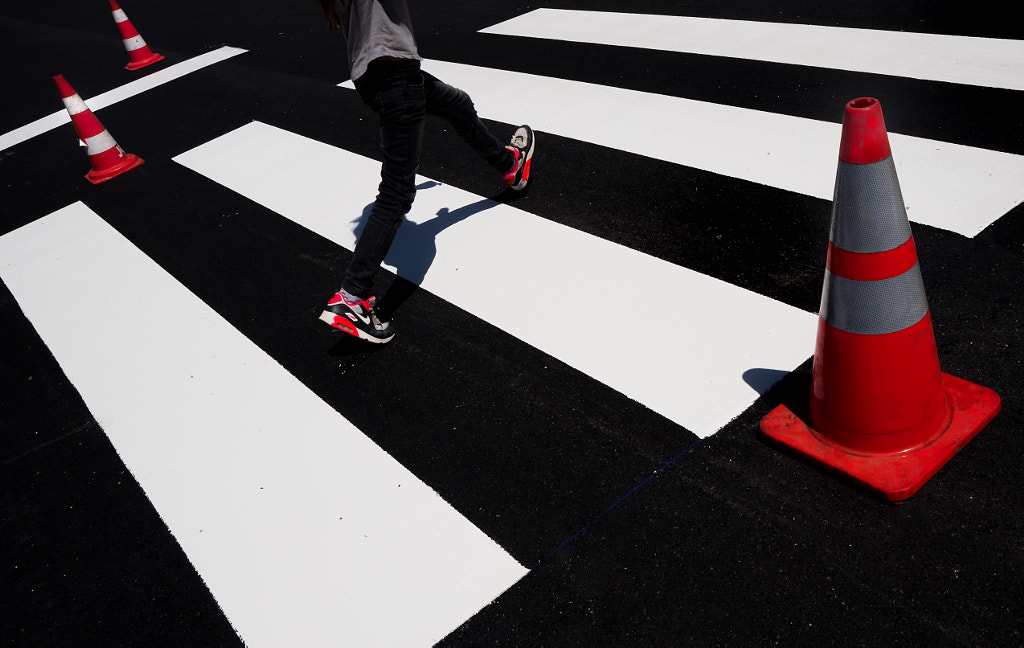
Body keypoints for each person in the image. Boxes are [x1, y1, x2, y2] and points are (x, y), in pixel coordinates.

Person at [315, 0, 535, 343]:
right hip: (396, 75)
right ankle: (352, 297)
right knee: (397, 193)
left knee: (457, 104)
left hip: (377, 77)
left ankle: (510, 166)